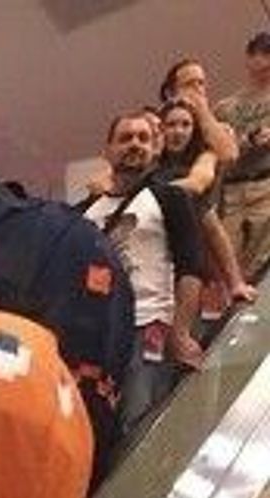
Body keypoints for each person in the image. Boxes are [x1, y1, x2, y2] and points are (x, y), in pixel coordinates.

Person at [83, 111, 206, 434]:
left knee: (138, 424)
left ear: (155, 149)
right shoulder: (86, 211)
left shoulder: (170, 198)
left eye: (143, 138)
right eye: (125, 138)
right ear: (108, 150)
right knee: (94, 427)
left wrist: (180, 333)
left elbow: (191, 266)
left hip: (148, 328)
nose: (135, 144)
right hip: (96, 336)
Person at [160, 94, 255, 311]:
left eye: (185, 124)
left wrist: (236, 283)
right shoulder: (151, 167)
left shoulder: (204, 158)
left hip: (193, 264)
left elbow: (212, 227)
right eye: (171, 124)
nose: (178, 131)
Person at [214, 32, 270, 284]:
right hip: (233, 189)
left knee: (263, 262)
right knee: (230, 263)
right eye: (260, 54)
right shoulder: (226, 107)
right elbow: (214, 150)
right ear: (249, 58)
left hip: (267, 184)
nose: (265, 62)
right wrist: (247, 141)